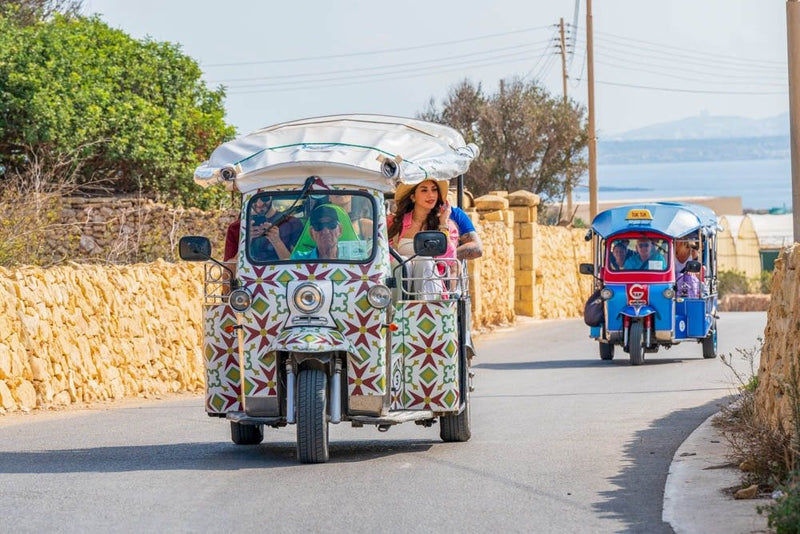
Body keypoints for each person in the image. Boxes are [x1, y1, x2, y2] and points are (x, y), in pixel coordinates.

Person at [387, 179, 459, 299]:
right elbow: (383, 252)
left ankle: (426, 309)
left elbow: (448, 260)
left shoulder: (446, 226)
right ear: (413, 197)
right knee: (402, 263)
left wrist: (443, 223)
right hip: (399, 284)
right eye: (424, 190)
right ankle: (396, 308)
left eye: (434, 190)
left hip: (432, 288)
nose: (431, 195)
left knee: (424, 259)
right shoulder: (394, 222)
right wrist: (408, 265)